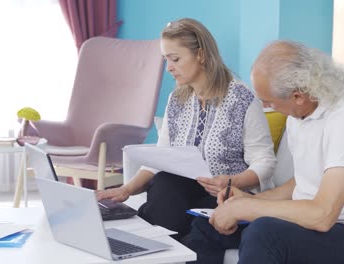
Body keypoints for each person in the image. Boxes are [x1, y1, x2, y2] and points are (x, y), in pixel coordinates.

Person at [183, 40, 344, 264]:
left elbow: (323, 215)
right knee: (207, 222)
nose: (265, 108)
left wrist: (248, 207)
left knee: (264, 234)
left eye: (268, 102)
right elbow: (303, 181)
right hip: (311, 221)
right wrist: (247, 201)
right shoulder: (299, 113)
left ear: (298, 96)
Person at [96, 18, 276, 240]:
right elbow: (160, 159)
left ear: (200, 55)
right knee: (164, 183)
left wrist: (231, 181)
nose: (169, 67)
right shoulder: (177, 100)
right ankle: (161, 245)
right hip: (182, 195)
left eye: (175, 59)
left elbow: (264, 162)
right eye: (166, 60)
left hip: (226, 195)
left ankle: (161, 243)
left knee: (168, 207)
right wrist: (127, 189)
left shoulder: (242, 99)